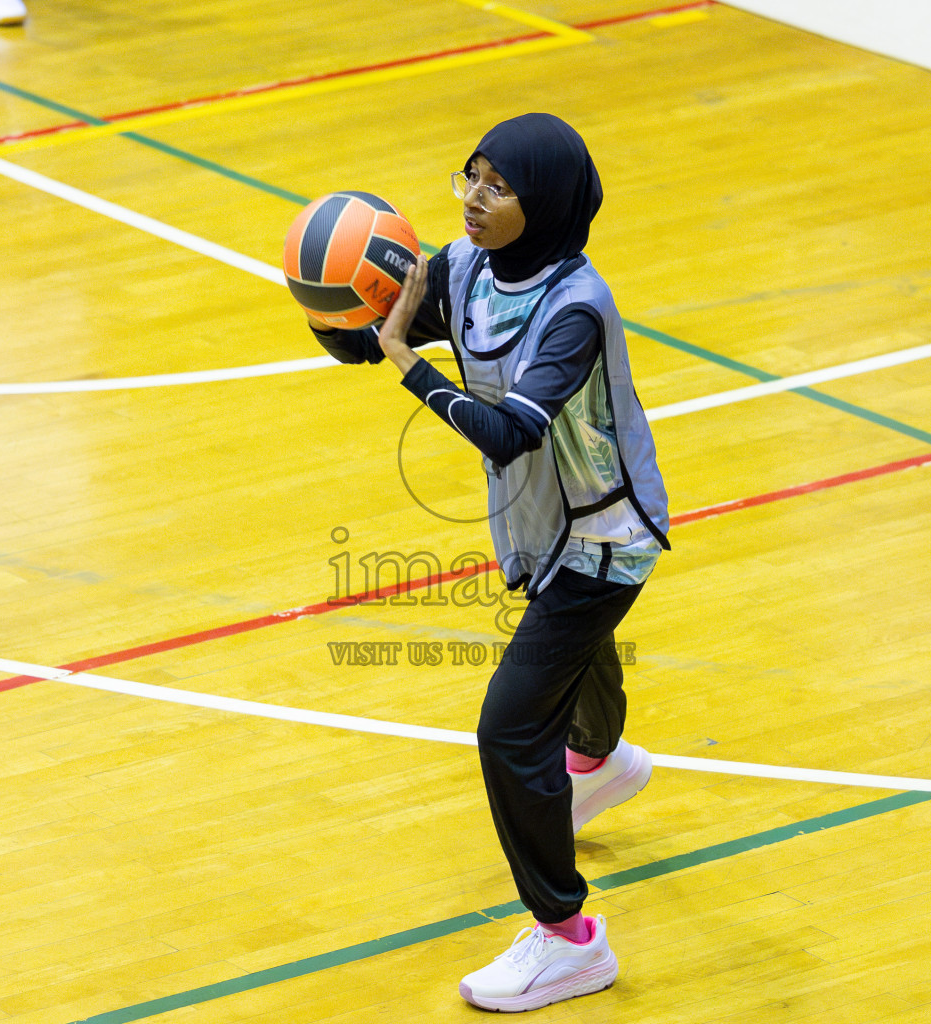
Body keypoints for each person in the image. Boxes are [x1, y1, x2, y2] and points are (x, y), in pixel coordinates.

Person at [308, 113, 670, 1012]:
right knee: (573, 668)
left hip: (602, 540)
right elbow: (372, 331)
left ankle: (569, 939)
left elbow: (510, 433)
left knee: (510, 728)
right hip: (543, 527)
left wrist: (410, 368)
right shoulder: (465, 269)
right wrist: (333, 302)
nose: (472, 197)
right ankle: (601, 764)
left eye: (497, 186)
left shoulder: (576, 310)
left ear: (541, 204)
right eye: (469, 175)